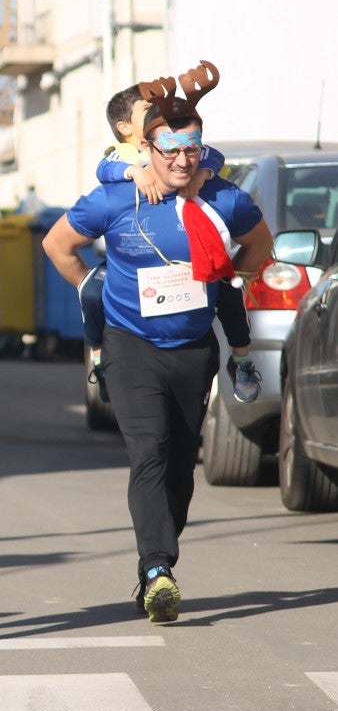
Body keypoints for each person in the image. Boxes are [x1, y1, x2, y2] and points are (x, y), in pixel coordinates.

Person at [42, 61, 274, 623]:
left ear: (200, 150)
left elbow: (259, 247)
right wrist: (91, 283)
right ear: (146, 149)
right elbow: (58, 245)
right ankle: (156, 570)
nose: (180, 161)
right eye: (169, 151)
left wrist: (226, 274)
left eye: (190, 151)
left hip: (193, 346)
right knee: (148, 452)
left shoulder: (222, 198)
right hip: (130, 343)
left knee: (178, 465)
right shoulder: (115, 197)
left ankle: (159, 557)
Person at [81, 79, 260, 404]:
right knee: (91, 291)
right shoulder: (120, 154)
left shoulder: (178, 142)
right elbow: (104, 169)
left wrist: (203, 172)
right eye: (146, 110)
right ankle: (100, 360)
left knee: (230, 291)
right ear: (124, 127)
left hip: (194, 253)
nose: (156, 112)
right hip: (135, 257)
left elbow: (213, 155)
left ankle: (243, 359)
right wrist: (135, 172)